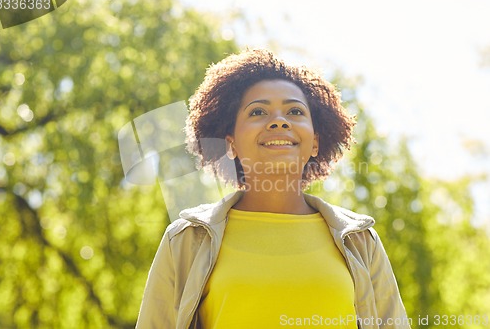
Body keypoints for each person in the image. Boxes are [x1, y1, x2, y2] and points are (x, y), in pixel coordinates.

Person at [135, 49, 411, 329]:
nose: (279, 121)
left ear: (315, 142)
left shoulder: (361, 241)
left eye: (294, 111)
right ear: (230, 143)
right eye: (258, 111)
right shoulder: (186, 241)